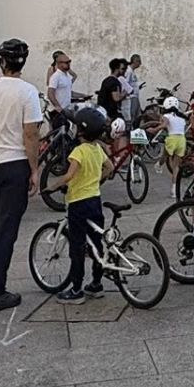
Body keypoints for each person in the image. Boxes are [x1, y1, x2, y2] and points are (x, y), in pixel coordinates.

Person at [0, 39, 44, 313]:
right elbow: (31, 134)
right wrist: (34, 170)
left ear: (1, 62)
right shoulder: (27, 92)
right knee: (6, 229)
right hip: (14, 164)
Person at [59, 106, 113, 304]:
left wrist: (51, 186)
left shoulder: (78, 151)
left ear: (81, 131)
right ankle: (96, 284)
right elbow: (110, 167)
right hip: (94, 200)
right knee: (96, 243)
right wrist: (97, 179)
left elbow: (69, 175)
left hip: (78, 203)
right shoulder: (98, 149)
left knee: (77, 246)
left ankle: (76, 289)